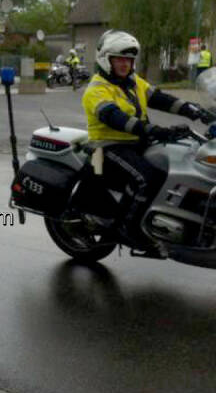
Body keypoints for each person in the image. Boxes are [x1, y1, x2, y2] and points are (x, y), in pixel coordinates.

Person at [81, 29, 207, 249]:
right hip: (106, 148)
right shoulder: (97, 89)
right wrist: (154, 130)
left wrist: (193, 110)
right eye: (119, 59)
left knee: (177, 166)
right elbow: (116, 118)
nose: (124, 64)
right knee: (145, 179)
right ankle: (127, 228)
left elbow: (160, 99)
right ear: (106, 60)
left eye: (129, 60)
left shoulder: (133, 82)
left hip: (137, 144)